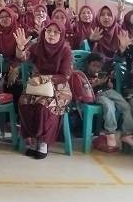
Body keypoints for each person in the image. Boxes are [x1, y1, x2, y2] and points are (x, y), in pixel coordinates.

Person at [15, 22, 73, 159]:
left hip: (59, 88)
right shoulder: (37, 46)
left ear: (61, 35)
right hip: (39, 86)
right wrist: (20, 48)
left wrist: (44, 79)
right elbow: (22, 58)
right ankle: (33, 139)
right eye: (48, 31)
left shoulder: (65, 50)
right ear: (44, 32)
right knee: (24, 102)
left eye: (56, 32)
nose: (51, 34)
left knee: (44, 106)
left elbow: (65, 76)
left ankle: (43, 143)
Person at [84, 53, 133, 151]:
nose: (96, 69)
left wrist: (109, 82)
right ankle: (110, 133)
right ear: (88, 64)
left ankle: (127, 134)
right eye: (94, 66)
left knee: (125, 106)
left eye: (99, 67)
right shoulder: (83, 75)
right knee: (109, 107)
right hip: (97, 94)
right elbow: (84, 90)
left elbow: (109, 83)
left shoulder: (102, 73)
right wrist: (97, 83)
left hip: (109, 92)